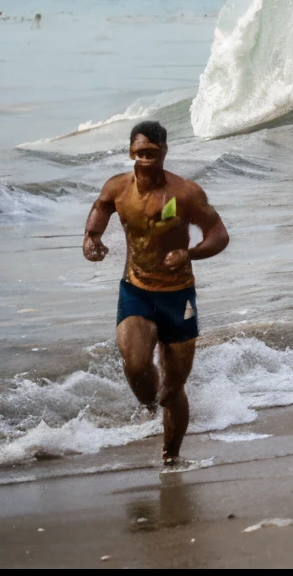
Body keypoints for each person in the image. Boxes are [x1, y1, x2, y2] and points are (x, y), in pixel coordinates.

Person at [83, 119, 229, 467]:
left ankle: (171, 456)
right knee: (135, 368)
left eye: (152, 151)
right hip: (136, 289)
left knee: (173, 390)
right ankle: (149, 406)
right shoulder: (118, 188)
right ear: (131, 151)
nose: (145, 158)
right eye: (139, 151)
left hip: (179, 297)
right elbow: (102, 207)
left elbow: (219, 233)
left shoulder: (185, 193)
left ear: (164, 150)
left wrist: (190, 253)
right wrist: (91, 237)